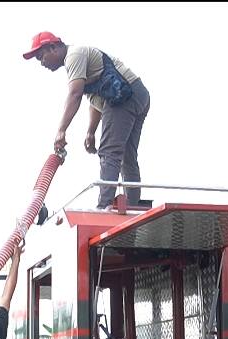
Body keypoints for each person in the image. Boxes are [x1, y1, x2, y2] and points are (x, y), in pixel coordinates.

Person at [25, 32, 150, 209]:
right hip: (138, 94)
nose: (42, 63)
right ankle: (133, 205)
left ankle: (104, 206)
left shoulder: (74, 56)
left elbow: (75, 94)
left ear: (53, 47)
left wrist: (61, 130)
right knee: (126, 155)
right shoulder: (80, 60)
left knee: (109, 152)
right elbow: (95, 99)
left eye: (41, 56)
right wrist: (91, 131)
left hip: (126, 97)